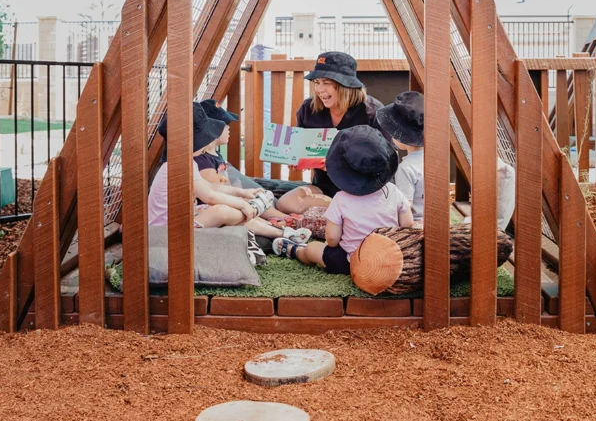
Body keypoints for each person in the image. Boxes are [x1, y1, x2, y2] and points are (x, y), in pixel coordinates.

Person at [147, 103, 310, 244]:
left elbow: (211, 187)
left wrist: (242, 192)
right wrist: (241, 203)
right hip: (166, 231)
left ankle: (283, 234)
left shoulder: (186, 162)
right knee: (222, 211)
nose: (204, 146)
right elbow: (210, 195)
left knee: (233, 215)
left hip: (186, 220)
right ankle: (267, 220)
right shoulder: (179, 166)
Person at [272, 125, 413, 276]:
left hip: (351, 262)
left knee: (312, 249)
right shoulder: (393, 191)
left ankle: (296, 251)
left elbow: (332, 238)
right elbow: (407, 224)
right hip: (388, 259)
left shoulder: (341, 198)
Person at [276, 51, 390, 214]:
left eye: (326, 82)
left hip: (363, 191)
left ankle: (340, 213)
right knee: (284, 204)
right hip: (323, 189)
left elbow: (385, 165)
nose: (320, 89)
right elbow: (298, 148)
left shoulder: (373, 113)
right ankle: (339, 211)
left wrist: (336, 165)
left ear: (346, 84)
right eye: (317, 82)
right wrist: (295, 159)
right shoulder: (308, 110)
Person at [376, 91, 425, 220]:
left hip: (415, 223)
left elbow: (405, 206)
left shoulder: (406, 168)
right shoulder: (434, 161)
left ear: (401, 136)